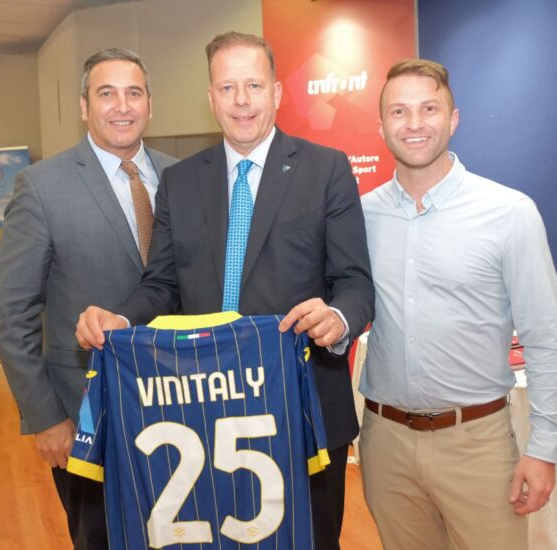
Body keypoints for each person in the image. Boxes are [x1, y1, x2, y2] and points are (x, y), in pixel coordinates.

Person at [75, 32, 374, 550]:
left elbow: (356, 283)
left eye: (254, 85)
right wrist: (121, 319)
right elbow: (162, 284)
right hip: (201, 413)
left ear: (277, 93)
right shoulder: (182, 182)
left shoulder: (326, 170)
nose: (241, 100)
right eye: (228, 87)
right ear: (210, 98)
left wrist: (338, 318)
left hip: (305, 414)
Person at [358, 59, 557, 550]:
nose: (414, 124)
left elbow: (544, 340)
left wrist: (544, 449)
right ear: (382, 126)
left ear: (453, 119)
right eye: (399, 111)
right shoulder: (360, 215)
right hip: (385, 443)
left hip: (476, 444)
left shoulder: (509, 214)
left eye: (429, 108)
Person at [0, 48, 176, 550]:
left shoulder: (182, 178)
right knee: (101, 538)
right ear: (83, 105)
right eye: (106, 93)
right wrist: (46, 417)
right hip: (84, 413)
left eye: (133, 93)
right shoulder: (43, 186)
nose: (121, 106)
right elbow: (9, 315)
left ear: (150, 105)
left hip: (182, 408)